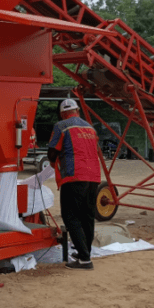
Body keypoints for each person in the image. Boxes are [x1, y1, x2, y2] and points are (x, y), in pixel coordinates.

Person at [47, 98, 101, 270]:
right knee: (87, 216)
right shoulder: (90, 128)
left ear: (63, 114)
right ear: (77, 111)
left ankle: (84, 260)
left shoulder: (61, 126)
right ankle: (85, 251)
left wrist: (53, 162)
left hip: (74, 176)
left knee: (71, 216)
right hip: (93, 176)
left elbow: (52, 152)